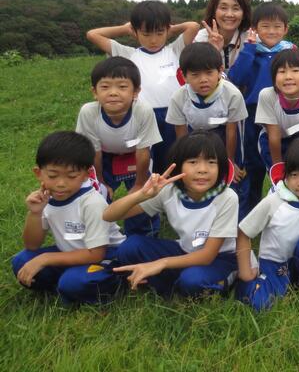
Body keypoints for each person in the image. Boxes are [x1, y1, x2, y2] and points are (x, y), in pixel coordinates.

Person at [105, 131, 239, 297]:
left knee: (192, 280)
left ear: (221, 168)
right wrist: (141, 195)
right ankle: (172, 284)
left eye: (212, 162)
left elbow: (207, 256)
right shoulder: (169, 191)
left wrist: (162, 263)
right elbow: (109, 215)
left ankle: (222, 280)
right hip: (184, 250)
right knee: (130, 247)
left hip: (220, 259)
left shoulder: (227, 197)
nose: (203, 170)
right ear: (178, 165)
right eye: (193, 162)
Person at [86, 0, 200, 175]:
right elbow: (93, 35)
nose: (153, 40)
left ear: (167, 30)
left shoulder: (175, 50)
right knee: (148, 162)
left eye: (159, 33)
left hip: (174, 116)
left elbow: (193, 26)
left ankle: (174, 188)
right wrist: (125, 29)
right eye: (146, 34)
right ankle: (148, 189)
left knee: (175, 157)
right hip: (144, 116)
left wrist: (169, 29)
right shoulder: (128, 54)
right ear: (135, 32)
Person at [11, 131, 125, 304]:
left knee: (74, 282)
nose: (61, 183)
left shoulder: (91, 203)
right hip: (70, 254)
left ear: (87, 174)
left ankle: (116, 282)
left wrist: (46, 258)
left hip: (106, 257)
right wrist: (35, 213)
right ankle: (65, 285)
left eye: (71, 176)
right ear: (38, 173)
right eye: (52, 175)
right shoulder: (45, 199)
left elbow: (96, 254)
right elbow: (32, 245)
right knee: (22, 260)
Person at [236, 137, 299, 312]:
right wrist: (246, 272)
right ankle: (247, 286)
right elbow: (244, 232)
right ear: (285, 175)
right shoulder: (274, 201)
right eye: (294, 175)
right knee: (261, 305)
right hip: (275, 265)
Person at [76, 57, 162, 236]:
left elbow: (143, 152)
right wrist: (101, 182)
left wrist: (139, 184)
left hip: (136, 156)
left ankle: (143, 234)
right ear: (94, 92)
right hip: (104, 157)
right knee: (94, 194)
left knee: (143, 194)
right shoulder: (88, 112)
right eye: (105, 87)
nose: (113, 93)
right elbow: (93, 152)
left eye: (122, 87)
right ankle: (101, 233)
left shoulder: (143, 111)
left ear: (136, 92)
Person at [166, 43, 249, 215]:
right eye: (195, 75)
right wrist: (184, 164)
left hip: (224, 135)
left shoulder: (232, 94)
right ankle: (198, 211)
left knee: (231, 178)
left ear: (220, 71)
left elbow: (232, 131)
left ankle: (234, 215)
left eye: (209, 73)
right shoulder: (178, 97)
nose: (203, 79)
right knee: (197, 175)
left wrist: (230, 162)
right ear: (184, 76)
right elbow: (181, 137)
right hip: (194, 136)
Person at [227, 2, 295, 211]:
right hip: (253, 114)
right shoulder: (250, 51)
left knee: (284, 158)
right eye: (265, 26)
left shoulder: (290, 52)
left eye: (277, 26)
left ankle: (287, 206)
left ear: (286, 29)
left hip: (283, 111)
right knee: (252, 163)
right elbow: (235, 78)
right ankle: (251, 209)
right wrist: (248, 49)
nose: (271, 31)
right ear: (255, 29)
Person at [195, 0, 252, 71]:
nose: (229, 14)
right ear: (214, 11)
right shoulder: (200, 39)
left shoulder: (251, 40)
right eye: (223, 8)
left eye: (236, 8)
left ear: (244, 13)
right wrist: (212, 51)